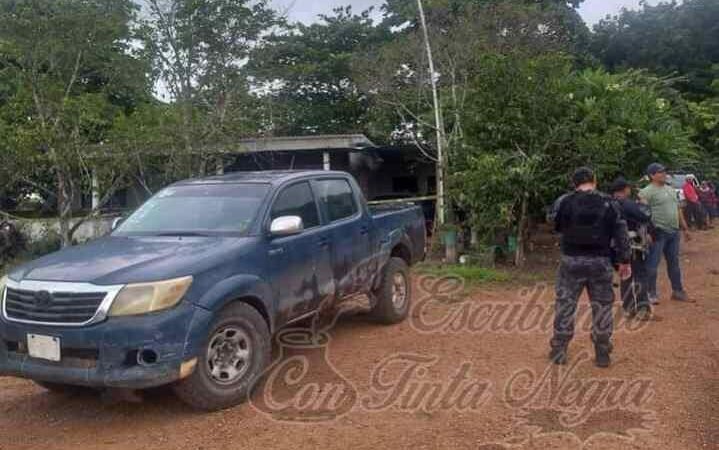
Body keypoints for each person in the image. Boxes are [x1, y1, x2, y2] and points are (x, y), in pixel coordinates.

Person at [550, 167, 631, 368]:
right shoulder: (610, 203)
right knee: (602, 306)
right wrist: (624, 260)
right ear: (594, 181)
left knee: (565, 305)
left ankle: (559, 350)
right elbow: (621, 233)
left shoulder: (563, 201)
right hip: (600, 262)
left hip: (571, 261)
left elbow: (555, 225)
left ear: (573, 182)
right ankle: (602, 352)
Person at [639, 163, 693, 304]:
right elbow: (642, 214)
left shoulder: (670, 189)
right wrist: (648, 232)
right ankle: (651, 293)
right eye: (660, 172)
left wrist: (685, 228)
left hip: (674, 231)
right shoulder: (646, 192)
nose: (664, 174)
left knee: (674, 263)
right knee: (652, 264)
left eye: (664, 171)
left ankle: (678, 291)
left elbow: (678, 209)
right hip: (658, 232)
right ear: (652, 175)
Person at [610, 177, 654, 321]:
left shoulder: (609, 204)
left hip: (616, 247)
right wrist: (644, 205)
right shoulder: (627, 204)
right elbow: (645, 216)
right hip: (632, 245)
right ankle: (643, 308)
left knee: (625, 276)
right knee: (640, 276)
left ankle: (628, 309)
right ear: (625, 189)